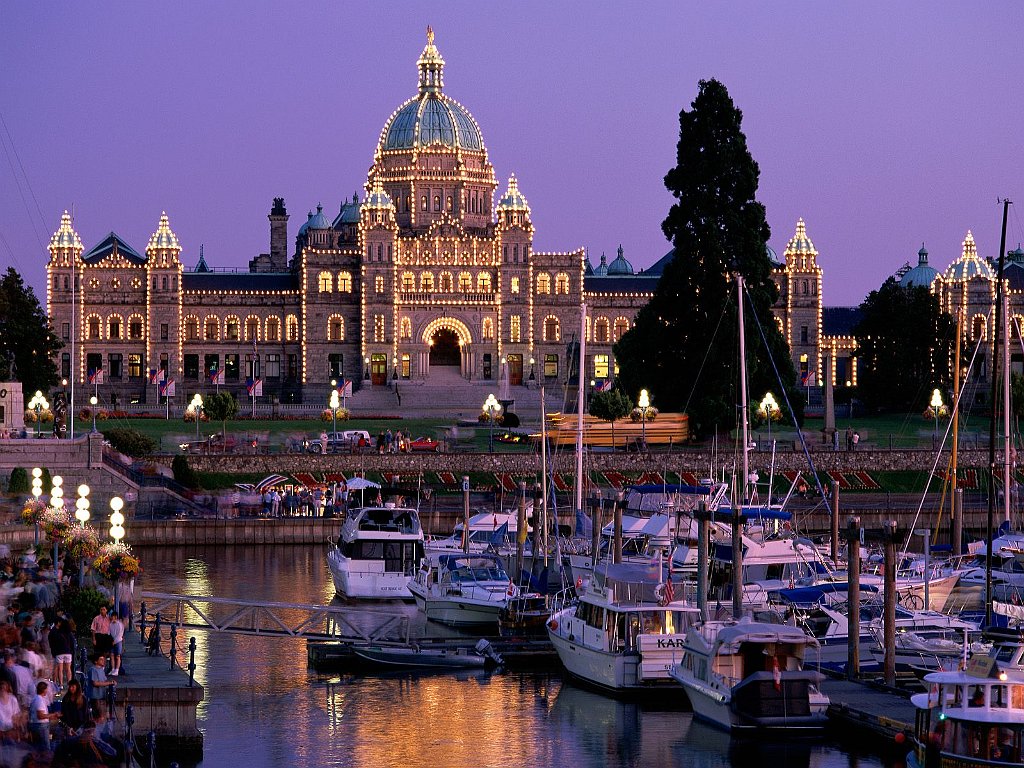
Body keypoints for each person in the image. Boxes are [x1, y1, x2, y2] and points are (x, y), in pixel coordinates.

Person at [28, 681, 58, 751]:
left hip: (38, 725)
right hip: (41, 726)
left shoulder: (37, 698)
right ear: (44, 690)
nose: (47, 691)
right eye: (47, 689)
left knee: (38, 747)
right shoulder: (39, 700)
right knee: (46, 748)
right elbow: (40, 716)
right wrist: (53, 714)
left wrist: (52, 716)